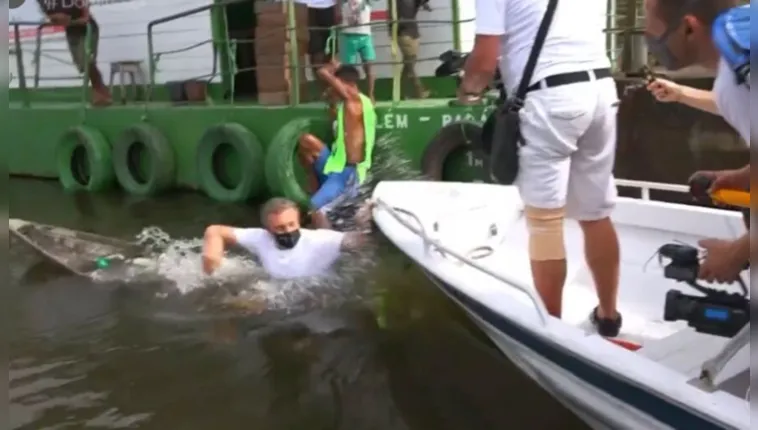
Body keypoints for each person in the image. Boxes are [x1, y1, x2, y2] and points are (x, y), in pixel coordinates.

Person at [459, 0, 622, 335]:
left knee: (545, 223)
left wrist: (468, 90)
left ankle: (554, 332)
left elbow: (485, 61)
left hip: (552, 97)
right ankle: (608, 317)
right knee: (596, 213)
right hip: (601, 90)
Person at [643, 0, 750, 283]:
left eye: (651, 24)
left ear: (689, 27)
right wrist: (745, 175)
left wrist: (737, 252)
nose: (647, 36)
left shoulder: (737, 80)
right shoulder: (742, 57)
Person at [202, 198, 370, 280]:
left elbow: (360, 241)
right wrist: (212, 261)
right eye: (280, 228)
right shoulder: (261, 238)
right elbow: (214, 231)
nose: (288, 231)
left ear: (299, 222)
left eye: (291, 224)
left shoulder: (320, 240)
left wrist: (364, 223)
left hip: (315, 297)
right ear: (268, 230)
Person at [297, 61, 377, 227]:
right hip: (335, 165)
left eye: (336, 85)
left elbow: (322, 72)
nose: (331, 88)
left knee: (313, 210)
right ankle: (317, 187)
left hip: (348, 175)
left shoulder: (354, 100)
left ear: (346, 84)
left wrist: (333, 66)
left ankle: (330, 244)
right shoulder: (346, 105)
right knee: (306, 141)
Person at [36, 0, 111, 106]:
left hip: (88, 29)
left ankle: (100, 92)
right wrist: (57, 19)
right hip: (72, 31)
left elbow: (84, 16)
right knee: (81, 64)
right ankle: (101, 89)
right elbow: (55, 17)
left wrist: (78, 17)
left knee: (87, 59)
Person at [339, 0, 376, 102]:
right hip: (348, 36)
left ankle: (370, 94)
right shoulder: (344, 3)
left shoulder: (367, 2)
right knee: (348, 70)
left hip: (365, 36)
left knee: (369, 65)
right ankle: (352, 95)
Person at [393, 0, 430, 99]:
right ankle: (419, 89)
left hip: (414, 32)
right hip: (403, 33)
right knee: (409, 63)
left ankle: (399, 93)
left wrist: (425, 4)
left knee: (409, 64)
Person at [307, 0, 339, 89]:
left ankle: (334, 89)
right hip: (314, 21)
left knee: (331, 57)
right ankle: (324, 89)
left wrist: (338, 11)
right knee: (316, 59)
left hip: (329, 18)